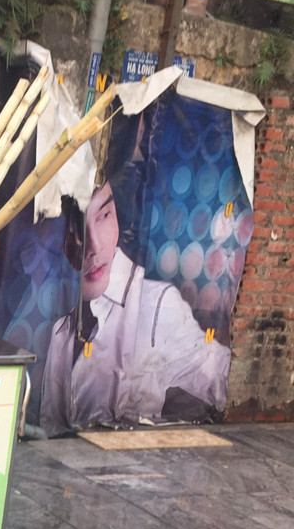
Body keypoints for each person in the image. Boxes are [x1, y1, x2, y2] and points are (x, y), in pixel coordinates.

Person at [39, 181, 231, 437]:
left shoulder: (156, 303)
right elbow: (51, 426)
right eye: (75, 228)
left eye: (104, 216)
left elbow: (219, 381)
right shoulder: (60, 332)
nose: (93, 246)